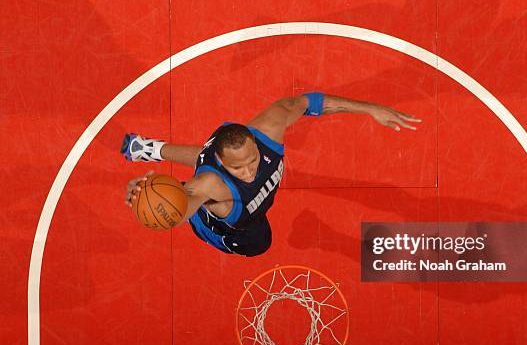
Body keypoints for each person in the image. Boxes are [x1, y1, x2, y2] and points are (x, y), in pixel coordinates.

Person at [121, 92, 421, 256]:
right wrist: (145, 195)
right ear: (223, 164)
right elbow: (182, 206)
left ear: (255, 141)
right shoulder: (210, 183)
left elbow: (311, 103)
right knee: (260, 244)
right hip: (234, 227)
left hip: (217, 167)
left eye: (251, 160)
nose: (250, 171)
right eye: (238, 167)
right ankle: (151, 153)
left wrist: (369, 109)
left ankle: (151, 149)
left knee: (206, 159)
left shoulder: (269, 129)